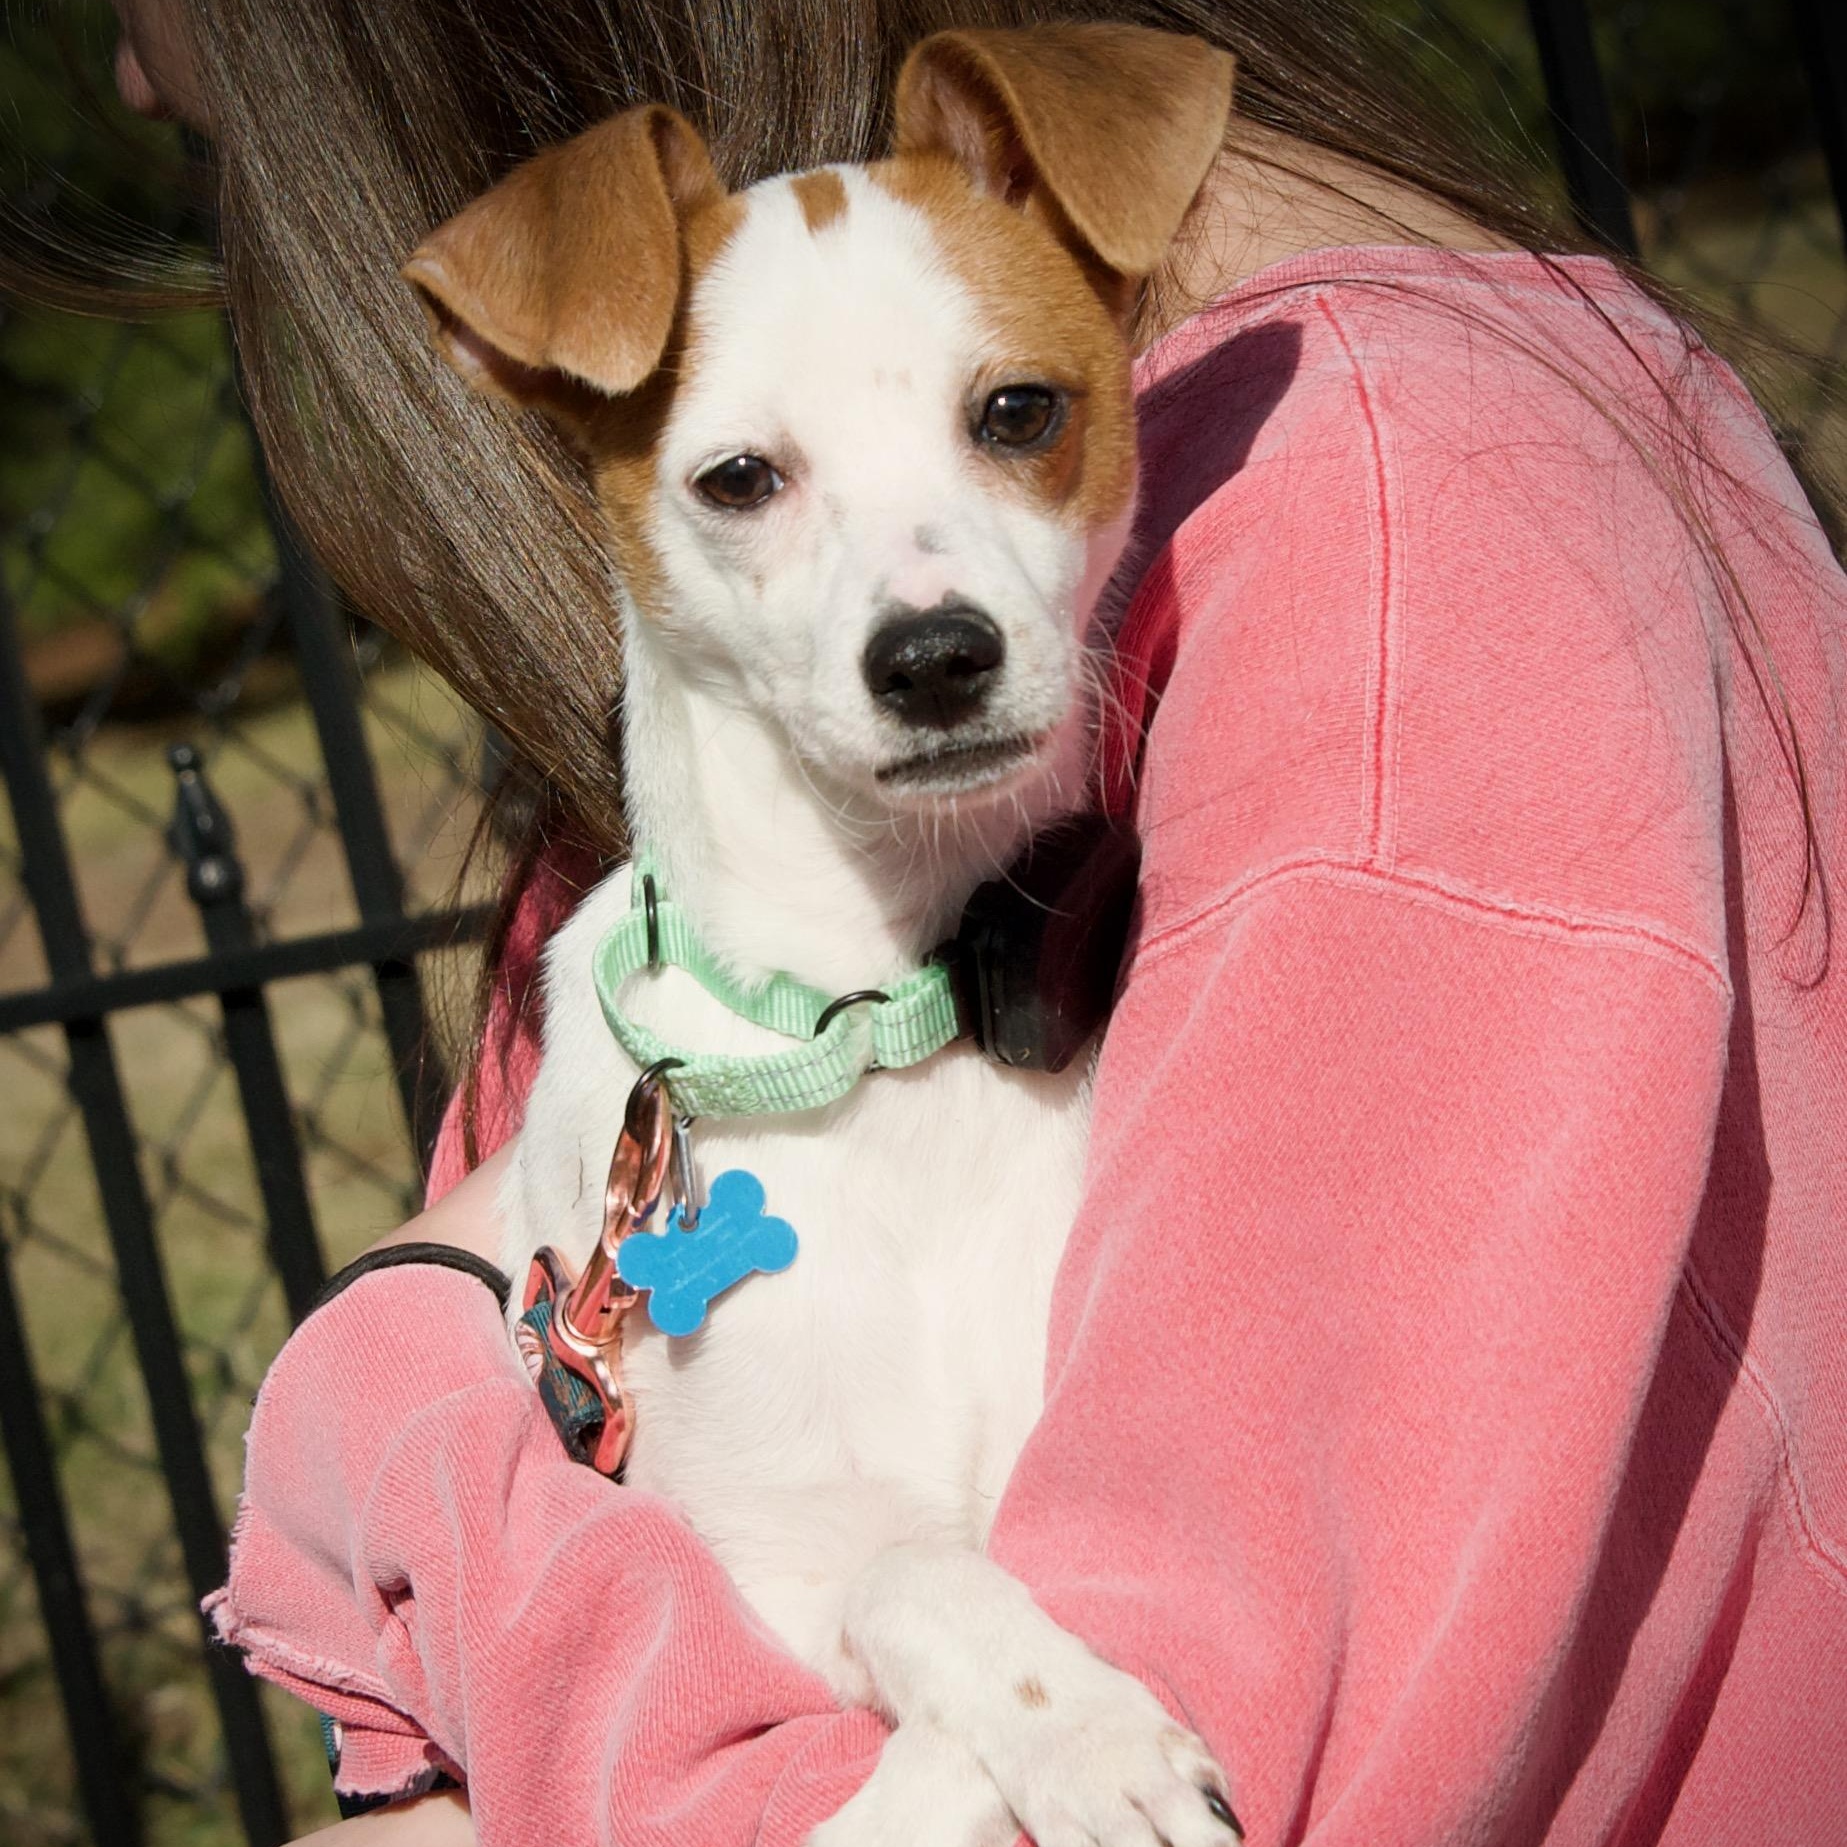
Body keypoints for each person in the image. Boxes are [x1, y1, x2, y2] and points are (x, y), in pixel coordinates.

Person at [87, 2, 1847, 1843]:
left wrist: (397, 1394)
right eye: (749, 486)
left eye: (1012, 419)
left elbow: (1213, 1717)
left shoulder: (1384, 589)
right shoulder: (612, 988)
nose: (919, 607)